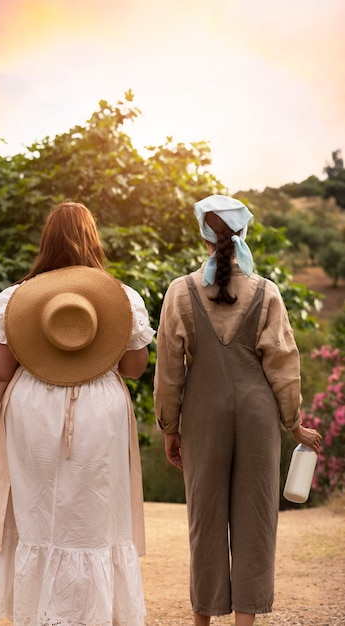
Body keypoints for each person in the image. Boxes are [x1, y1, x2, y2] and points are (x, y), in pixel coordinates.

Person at [0, 201, 155, 626]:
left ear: (46, 240)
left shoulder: (16, 298)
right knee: (94, 514)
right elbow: (133, 368)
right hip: (99, 412)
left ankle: (44, 615)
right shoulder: (121, 298)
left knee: (39, 513)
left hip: (32, 410)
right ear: (93, 238)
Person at [153, 194, 322, 626]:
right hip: (257, 413)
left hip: (203, 413)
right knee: (255, 518)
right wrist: (294, 423)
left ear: (205, 236)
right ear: (243, 234)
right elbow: (284, 365)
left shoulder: (180, 291)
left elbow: (169, 370)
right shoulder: (266, 292)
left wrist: (170, 427)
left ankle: (202, 622)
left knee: (204, 519)